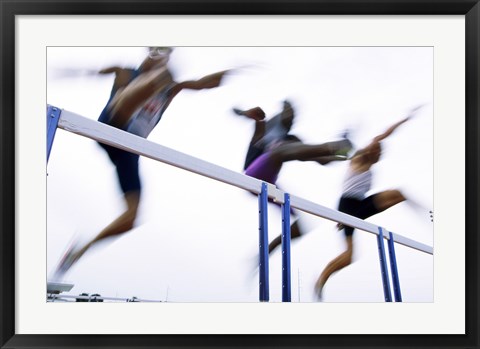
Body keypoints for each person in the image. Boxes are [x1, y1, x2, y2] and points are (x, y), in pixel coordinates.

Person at [54, 47, 231, 278]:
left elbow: (202, 84)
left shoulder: (171, 88)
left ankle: (79, 251)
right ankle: (145, 84)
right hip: (112, 125)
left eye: (165, 53)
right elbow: (90, 72)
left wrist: (234, 71)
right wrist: (63, 71)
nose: (160, 57)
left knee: (131, 218)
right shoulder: (125, 71)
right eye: (156, 51)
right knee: (148, 85)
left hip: (128, 150)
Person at [314, 113, 419, 300]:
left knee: (398, 194)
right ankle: (322, 279)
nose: (379, 155)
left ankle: (424, 211)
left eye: (380, 154)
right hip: (347, 203)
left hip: (360, 204)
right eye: (377, 151)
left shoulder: (370, 164)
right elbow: (383, 135)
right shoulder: (361, 156)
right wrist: (405, 119)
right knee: (349, 255)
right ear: (372, 150)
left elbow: (382, 141)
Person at [234, 101, 352, 254]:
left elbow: (321, 160)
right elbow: (238, 112)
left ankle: (270, 248)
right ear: (281, 114)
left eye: (293, 116)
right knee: (279, 152)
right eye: (288, 113)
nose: (291, 119)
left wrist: (340, 156)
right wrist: (246, 113)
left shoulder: (292, 140)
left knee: (300, 226)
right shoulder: (266, 130)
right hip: (251, 176)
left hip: (269, 185)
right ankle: (331, 146)